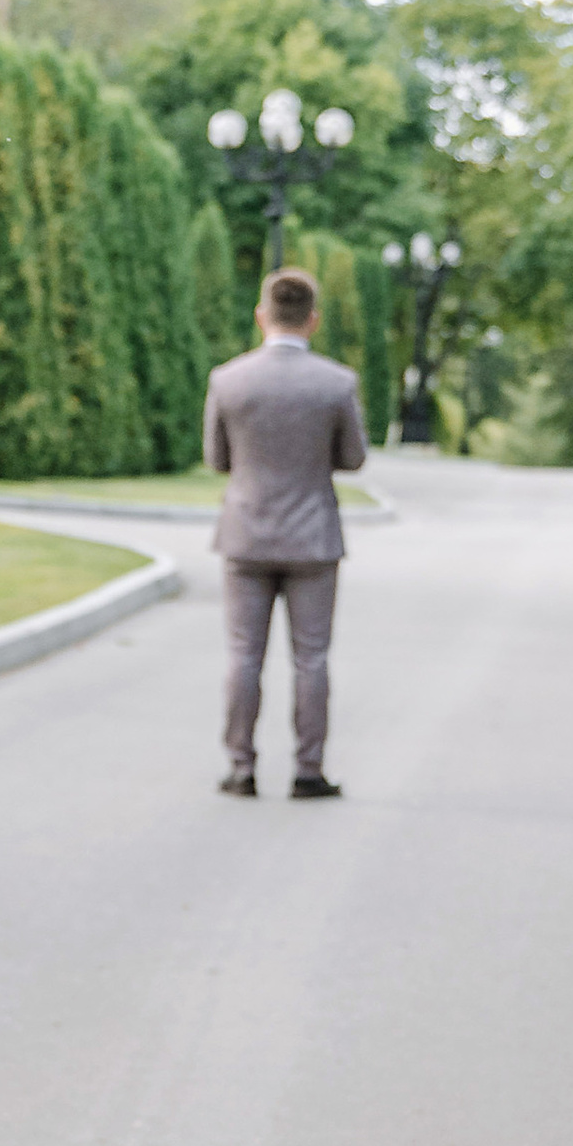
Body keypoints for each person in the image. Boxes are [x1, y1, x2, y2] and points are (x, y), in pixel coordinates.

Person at [203, 265, 368, 799]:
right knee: (312, 657)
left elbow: (216, 459)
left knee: (243, 654)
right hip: (313, 538)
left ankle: (240, 767)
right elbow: (354, 458)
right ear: (313, 320)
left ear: (261, 316)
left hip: (245, 535)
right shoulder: (337, 384)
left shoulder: (227, 381)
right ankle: (308, 770)